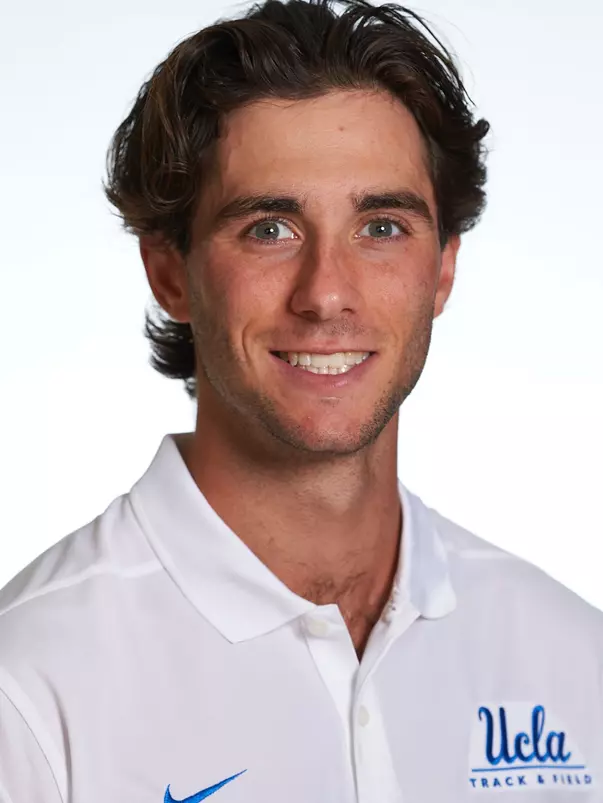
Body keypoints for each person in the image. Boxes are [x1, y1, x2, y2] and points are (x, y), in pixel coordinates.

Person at [1, 0, 601, 800]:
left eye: (381, 226)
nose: (326, 294)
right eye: (269, 229)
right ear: (170, 272)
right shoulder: (32, 684)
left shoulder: (571, 659)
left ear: (444, 268)